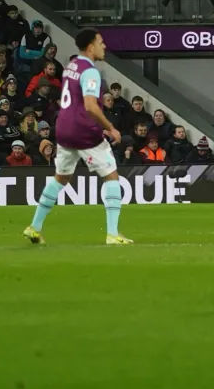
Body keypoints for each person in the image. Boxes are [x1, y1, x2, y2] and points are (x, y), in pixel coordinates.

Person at [24, 28, 133, 247]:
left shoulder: (70, 67)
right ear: (91, 46)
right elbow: (91, 106)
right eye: (101, 42)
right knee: (111, 177)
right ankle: (112, 234)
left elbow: (74, 101)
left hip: (64, 129)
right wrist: (110, 128)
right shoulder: (90, 72)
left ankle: (34, 227)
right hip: (83, 131)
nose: (105, 46)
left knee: (61, 178)